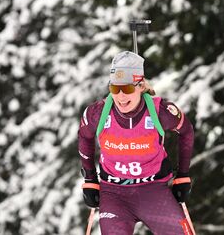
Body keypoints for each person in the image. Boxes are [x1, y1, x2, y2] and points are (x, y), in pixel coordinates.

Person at [78, 51, 195, 235]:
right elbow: (84, 136)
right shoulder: (98, 113)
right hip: (114, 194)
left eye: (128, 89)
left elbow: (186, 132)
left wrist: (183, 174)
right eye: (115, 89)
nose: (121, 97)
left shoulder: (161, 112)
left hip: (153, 190)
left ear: (140, 86)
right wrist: (90, 179)